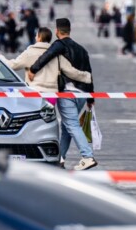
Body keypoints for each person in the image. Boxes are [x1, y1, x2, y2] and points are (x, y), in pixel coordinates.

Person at [27, 17, 98, 171]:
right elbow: (89, 74)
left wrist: (33, 69)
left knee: (71, 124)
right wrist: (90, 97)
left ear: (57, 31)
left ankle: (87, 156)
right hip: (82, 94)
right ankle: (60, 159)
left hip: (67, 92)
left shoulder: (59, 45)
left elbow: (46, 56)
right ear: (70, 30)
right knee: (67, 127)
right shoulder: (82, 50)